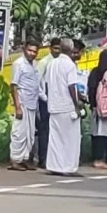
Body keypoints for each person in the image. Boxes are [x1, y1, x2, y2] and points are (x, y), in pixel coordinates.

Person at [44, 38, 83, 176]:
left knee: (55, 138)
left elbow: (48, 85)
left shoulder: (51, 64)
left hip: (54, 105)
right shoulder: (70, 65)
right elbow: (71, 86)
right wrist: (77, 105)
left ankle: (54, 166)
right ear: (71, 49)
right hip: (67, 107)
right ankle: (69, 168)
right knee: (71, 139)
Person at [9, 38, 40, 171]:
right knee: (19, 133)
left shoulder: (34, 65)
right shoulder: (19, 64)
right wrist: (17, 107)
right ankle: (15, 160)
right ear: (24, 49)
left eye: (35, 51)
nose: (32, 53)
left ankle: (25, 159)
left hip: (32, 103)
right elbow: (14, 86)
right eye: (30, 50)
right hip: (22, 103)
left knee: (30, 134)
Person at [87, 49, 107, 169]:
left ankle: (95, 158)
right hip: (106, 108)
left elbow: (90, 89)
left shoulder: (94, 71)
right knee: (103, 135)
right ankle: (100, 160)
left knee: (95, 134)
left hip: (95, 107)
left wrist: (93, 104)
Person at [35, 37, 61, 169]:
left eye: (59, 48)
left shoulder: (61, 62)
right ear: (50, 48)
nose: (57, 51)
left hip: (57, 99)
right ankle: (42, 159)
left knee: (55, 130)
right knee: (44, 130)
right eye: (55, 48)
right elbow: (38, 82)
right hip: (45, 99)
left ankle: (53, 159)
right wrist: (44, 97)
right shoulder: (45, 62)